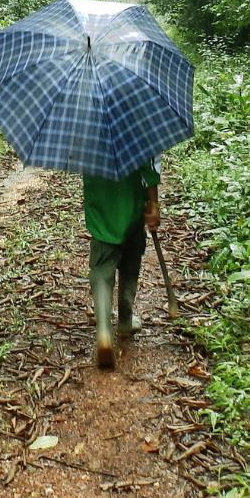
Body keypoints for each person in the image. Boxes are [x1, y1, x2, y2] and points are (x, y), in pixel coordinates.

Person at [83, 156, 160, 370]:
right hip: (132, 210)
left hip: (101, 215)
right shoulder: (135, 131)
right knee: (130, 264)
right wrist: (153, 205)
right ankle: (125, 319)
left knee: (101, 270)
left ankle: (104, 331)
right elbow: (150, 171)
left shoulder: (85, 136)